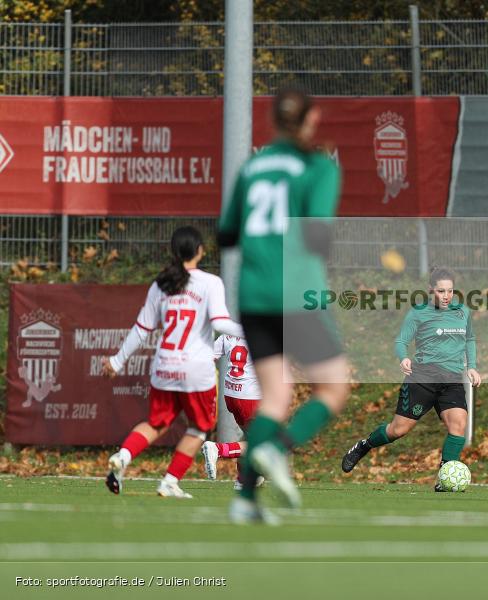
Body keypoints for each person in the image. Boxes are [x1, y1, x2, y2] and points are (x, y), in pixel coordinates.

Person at [218, 84, 350, 523]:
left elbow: (226, 234)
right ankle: (278, 448)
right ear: (311, 120)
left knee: (274, 395)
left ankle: (245, 502)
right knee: (333, 386)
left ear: (274, 120)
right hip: (296, 292)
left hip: (253, 295)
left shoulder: (253, 165)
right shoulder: (317, 167)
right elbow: (317, 237)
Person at [102, 226, 244, 499]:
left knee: (156, 423)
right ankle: (169, 481)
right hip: (196, 370)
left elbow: (142, 328)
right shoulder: (210, 282)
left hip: (164, 366)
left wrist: (117, 361)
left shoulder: (161, 283)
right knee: (199, 427)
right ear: (200, 251)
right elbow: (220, 322)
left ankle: (123, 455)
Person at [340, 267, 481, 490]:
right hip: (422, 378)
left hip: (452, 379)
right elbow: (400, 342)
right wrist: (403, 358)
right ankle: (364, 445)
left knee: (458, 425)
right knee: (398, 430)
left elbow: (470, 339)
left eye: (450, 291)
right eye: (440, 291)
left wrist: (472, 367)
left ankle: (444, 478)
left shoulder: (462, 311)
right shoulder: (418, 313)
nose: (446, 296)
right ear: (430, 290)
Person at [201, 335, 262, 489]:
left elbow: (206, 358)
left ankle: (242, 480)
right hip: (250, 397)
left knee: (249, 436)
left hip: (231, 395)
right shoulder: (262, 333)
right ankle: (218, 449)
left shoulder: (227, 335)